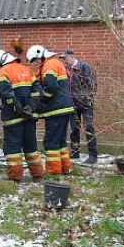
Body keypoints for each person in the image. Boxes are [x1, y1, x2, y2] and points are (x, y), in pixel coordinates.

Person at [0, 49, 43, 181]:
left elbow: (8, 95)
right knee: (31, 146)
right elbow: (37, 91)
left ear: (0, 61)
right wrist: (30, 107)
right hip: (29, 117)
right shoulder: (27, 70)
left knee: (12, 148)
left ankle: (15, 177)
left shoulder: (4, 71)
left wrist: (19, 109)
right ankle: (37, 175)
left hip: (13, 118)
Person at [27, 45, 75, 175]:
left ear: (40, 55)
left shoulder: (49, 65)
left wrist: (42, 102)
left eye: (35, 60)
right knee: (60, 141)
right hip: (63, 108)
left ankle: (54, 173)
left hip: (56, 110)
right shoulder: (55, 63)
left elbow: (51, 88)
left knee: (51, 142)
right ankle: (65, 168)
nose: (36, 63)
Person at [60, 49, 98, 164]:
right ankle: (75, 152)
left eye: (65, 58)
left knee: (88, 128)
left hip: (86, 104)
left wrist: (87, 99)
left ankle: (93, 155)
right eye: (63, 59)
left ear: (71, 57)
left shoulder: (84, 67)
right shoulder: (67, 70)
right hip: (73, 104)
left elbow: (92, 84)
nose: (64, 61)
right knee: (74, 129)